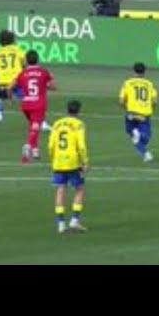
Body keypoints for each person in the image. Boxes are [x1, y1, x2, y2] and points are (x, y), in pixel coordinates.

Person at [48, 100, 89, 234]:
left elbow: (51, 145)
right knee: (80, 189)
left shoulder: (57, 123)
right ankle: (74, 221)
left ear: (67, 110)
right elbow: (81, 145)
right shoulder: (79, 124)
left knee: (60, 189)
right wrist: (85, 161)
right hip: (73, 161)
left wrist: (53, 159)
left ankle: (60, 224)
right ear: (79, 111)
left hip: (58, 161)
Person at [11, 50, 57, 163]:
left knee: (33, 126)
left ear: (26, 61)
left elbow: (10, 87)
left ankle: (35, 150)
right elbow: (53, 87)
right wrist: (48, 82)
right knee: (35, 128)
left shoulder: (22, 73)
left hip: (26, 104)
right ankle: (28, 149)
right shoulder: (43, 72)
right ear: (38, 59)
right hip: (38, 104)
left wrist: (12, 99)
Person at [119, 62, 158, 162]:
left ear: (134, 71)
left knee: (131, 133)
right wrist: (152, 109)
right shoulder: (149, 84)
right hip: (144, 113)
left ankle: (145, 153)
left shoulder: (127, 83)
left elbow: (121, 100)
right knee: (146, 136)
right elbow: (154, 100)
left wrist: (126, 109)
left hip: (131, 112)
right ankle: (144, 151)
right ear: (144, 72)